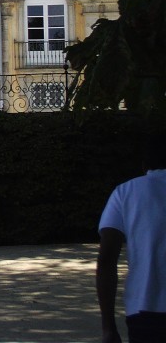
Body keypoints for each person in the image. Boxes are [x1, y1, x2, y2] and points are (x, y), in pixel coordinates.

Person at [97, 130, 166, 343]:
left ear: (144, 165)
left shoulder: (125, 192)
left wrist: (108, 327)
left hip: (145, 307)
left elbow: (107, 259)